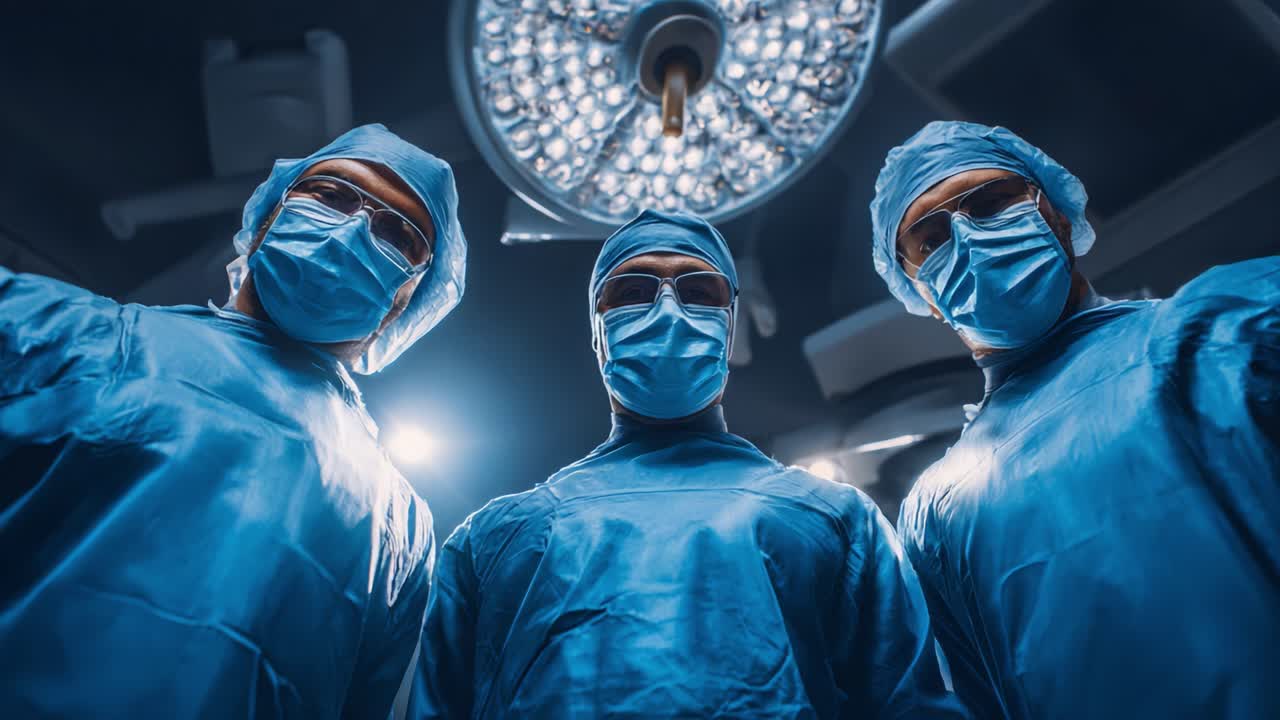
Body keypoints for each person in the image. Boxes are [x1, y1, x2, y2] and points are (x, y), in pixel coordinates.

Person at [407, 209, 967, 719]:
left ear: (729, 325)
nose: (668, 311)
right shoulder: (492, 542)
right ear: (598, 331)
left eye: (698, 291)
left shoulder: (839, 523)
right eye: (633, 291)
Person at [0, 123, 467, 718]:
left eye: (397, 234)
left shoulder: (402, 530)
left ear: (406, 303)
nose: (352, 229)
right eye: (332, 195)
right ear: (268, 218)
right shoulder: (73, 336)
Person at [870, 120, 1280, 719]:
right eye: (931, 241)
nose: (968, 238)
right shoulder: (934, 513)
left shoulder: (1222, 327)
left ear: (1055, 214)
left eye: (990, 204)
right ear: (922, 294)